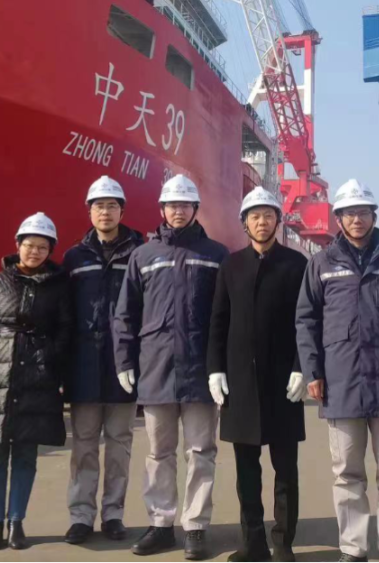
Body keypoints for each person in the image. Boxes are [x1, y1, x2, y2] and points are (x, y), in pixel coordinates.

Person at [295, 180, 379, 563]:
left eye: (363, 212)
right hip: (340, 383)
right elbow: (306, 320)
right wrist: (312, 372)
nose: (356, 219)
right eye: (349, 213)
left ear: (374, 216)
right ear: (338, 219)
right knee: (347, 473)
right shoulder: (321, 264)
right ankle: (353, 549)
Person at [113, 174, 229, 560]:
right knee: (158, 452)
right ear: (162, 209)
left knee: (201, 451)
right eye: (172, 205)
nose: (178, 211)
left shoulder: (216, 255)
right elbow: (125, 313)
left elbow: (227, 316)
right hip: (156, 368)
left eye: (185, 205)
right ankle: (161, 524)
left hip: (200, 371)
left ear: (195, 209)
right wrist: (124, 359)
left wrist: (222, 366)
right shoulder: (143, 256)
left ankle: (195, 526)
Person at [207, 187, 308, 563]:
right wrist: (215, 369)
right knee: (246, 472)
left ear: (278, 221)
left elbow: (306, 322)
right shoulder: (231, 266)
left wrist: (302, 366)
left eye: (268, 215)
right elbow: (218, 321)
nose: (262, 222)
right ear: (245, 223)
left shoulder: (296, 264)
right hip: (240, 384)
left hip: (284, 384)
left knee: (286, 471)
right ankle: (252, 544)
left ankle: (283, 544)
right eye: (254, 216)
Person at [0, 212, 71, 551]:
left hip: (37, 380)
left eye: (42, 247)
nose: (35, 252)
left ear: (50, 250)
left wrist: (51, 362)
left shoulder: (59, 286)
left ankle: (16, 522)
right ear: (17, 245)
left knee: (26, 456)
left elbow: (66, 331)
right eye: (29, 245)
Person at [62, 176, 145, 544]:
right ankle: (81, 515)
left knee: (119, 445)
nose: (105, 212)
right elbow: (64, 315)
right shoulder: (74, 257)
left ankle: (113, 514)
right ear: (90, 212)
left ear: (122, 212)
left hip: (125, 366)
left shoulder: (140, 253)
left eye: (112, 206)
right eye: (99, 206)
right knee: (82, 445)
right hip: (83, 366)